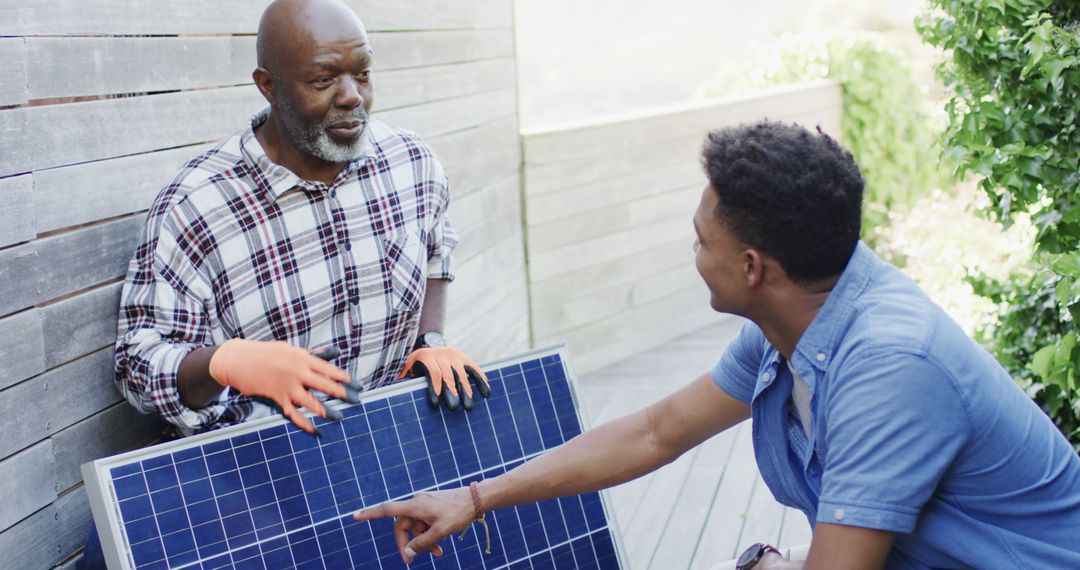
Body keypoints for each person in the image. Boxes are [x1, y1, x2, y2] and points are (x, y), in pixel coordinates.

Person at [355, 121, 1080, 569]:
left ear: (752, 267)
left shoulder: (890, 367)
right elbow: (654, 432)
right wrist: (477, 497)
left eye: (703, 240)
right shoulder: (793, 325)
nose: (693, 251)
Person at [80, 1, 488, 567]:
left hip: (376, 460)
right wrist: (226, 362)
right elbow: (137, 366)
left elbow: (438, 250)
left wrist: (431, 339)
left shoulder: (411, 163)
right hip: (254, 484)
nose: (351, 96)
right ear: (268, 86)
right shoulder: (198, 206)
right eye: (324, 80)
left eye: (362, 73)